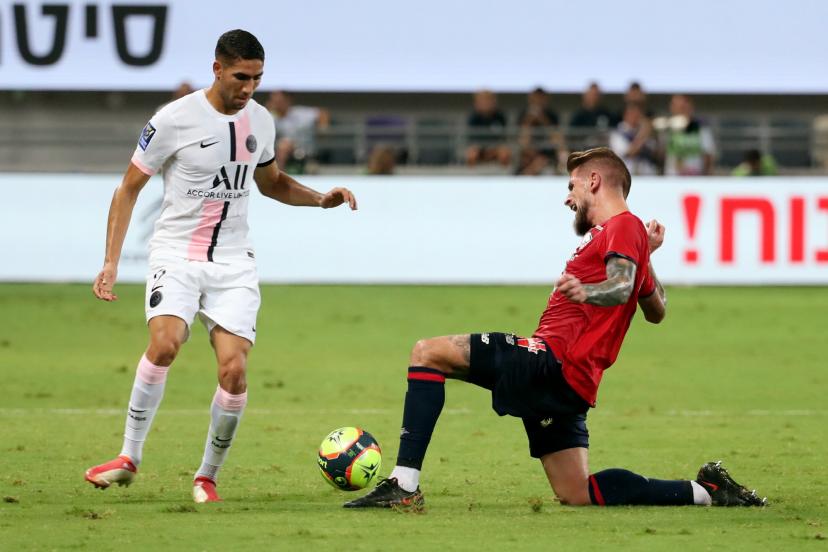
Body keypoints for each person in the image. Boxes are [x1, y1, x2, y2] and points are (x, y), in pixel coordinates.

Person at [344, 147, 766, 510]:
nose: (569, 198)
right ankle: (706, 491)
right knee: (577, 492)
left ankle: (403, 485)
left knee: (427, 352)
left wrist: (589, 290)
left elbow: (619, 287)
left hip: (551, 360)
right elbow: (656, 310)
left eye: (572, 186)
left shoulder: (623, 226)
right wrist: (647, 257)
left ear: (595, 181)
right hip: (574, 382)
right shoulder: (628, 236)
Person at [85, 29, 357, 503]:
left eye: (257, 78)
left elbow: (271, 183)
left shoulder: (262, 121)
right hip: (176, 254)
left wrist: (319, 199)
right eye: (240, 77)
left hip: (233, 261)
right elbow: (128, 188)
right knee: (166, 343)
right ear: (217, 69)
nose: (248, 88)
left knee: (234, 371)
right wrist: (110, 262)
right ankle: (129, 456)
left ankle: (206, 477)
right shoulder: (173, 119)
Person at [266, 90, 330, 173]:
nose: (276, 104)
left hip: (306, 150)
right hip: (281, 151)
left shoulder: (300, 113)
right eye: (273, 101)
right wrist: (266, 111)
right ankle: (278, 174)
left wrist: (322, 129)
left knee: (284, 145)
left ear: (287, 101)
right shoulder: (271, 117)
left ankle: (278, 174)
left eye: (279, 101)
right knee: (283, 145)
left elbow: (323, 113)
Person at [659, 94, 716, 176]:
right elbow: (661, 156)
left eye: (682, 107)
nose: (679, 111)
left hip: (695, 180)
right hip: (671, 180)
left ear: (690, 107)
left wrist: (706, 179)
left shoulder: (701, 129)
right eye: (676, 107)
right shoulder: (666, 129)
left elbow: (708, 157)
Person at [515, 87, 567, 176]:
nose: (538, 101)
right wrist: (530, 119)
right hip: (529, 151)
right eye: (535, 98)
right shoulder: (524, 114)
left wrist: (542, 119)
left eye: (540, 98)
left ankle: (561, 169)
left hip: (548, 151)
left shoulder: (552, 115)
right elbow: (521, 138)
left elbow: (556, 137)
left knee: (558, 145)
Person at [465, 89, 511, 167]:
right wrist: (483, 149)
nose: (485, 104)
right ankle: (471, 175)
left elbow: (503, 137)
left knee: (504, 153)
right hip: (479, 148)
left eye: (488, 100)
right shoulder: (473, 118)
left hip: (496, 148)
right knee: (471, 154)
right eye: (482, 101)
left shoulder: (500, 117)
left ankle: (504, 176)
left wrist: (492, 149)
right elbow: (472, 139)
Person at [609, 102, 659, 175]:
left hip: (648, 173)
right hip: (628, 174)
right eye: (633, 114)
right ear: (625, 115)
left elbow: (655, 153)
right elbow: (630, 153)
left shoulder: (645, 130)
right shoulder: (618, 133)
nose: (636, 117)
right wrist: (643, 133)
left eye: (638, 114)